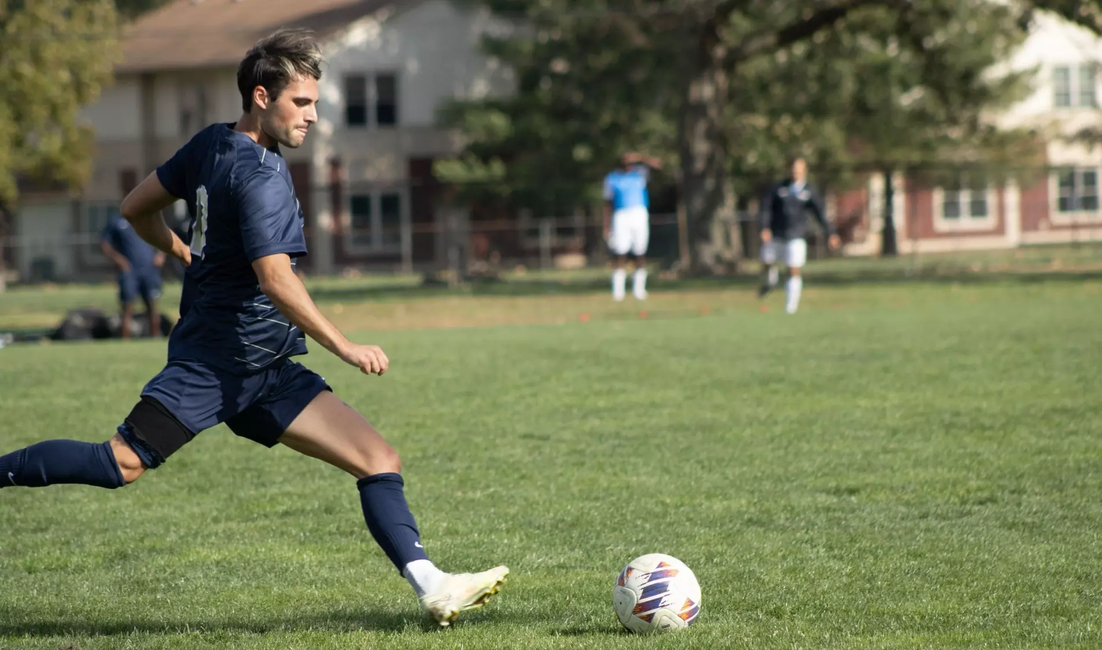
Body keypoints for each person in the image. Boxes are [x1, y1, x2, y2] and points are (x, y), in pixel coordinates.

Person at [0, 29, 506, 628]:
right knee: (120, 463)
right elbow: (276, 278)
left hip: (266, 367)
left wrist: (189, 254)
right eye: (302, 103)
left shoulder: (213, 142)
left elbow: (136, 206)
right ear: (262, 97)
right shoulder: (264, 176)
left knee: (377, 458)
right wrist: (344, 345)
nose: (314, 116)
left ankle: (433, 586)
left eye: (316, 102)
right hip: (216, 363)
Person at [758, 156, 840, 314]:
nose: (795, 171)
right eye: (793, 168)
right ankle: (770, 281)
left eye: (799, 168)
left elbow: (820, 214)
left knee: (793, 269)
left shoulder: (809, 191)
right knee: (766, 263)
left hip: (796, 236)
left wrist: (831, 234)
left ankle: (791, 307)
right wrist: (764, 228)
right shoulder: (778, 189)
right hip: (776, 234)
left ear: (804, 170)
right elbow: (765, 209)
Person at [603, 152, 661, 301]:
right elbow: (607, 203)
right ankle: (618, 291)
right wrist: (606, 226)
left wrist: (641, 157)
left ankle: (639, 290)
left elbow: (658, 166)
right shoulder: (612, 178)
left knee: (640, 251)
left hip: (639, 214)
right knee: (620, 251)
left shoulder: (640, 174)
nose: (629, 164)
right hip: (621, 215)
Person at [101, 211, 165, 338]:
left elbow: (164, 236)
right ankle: (126, 341)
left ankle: (155, 338)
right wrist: (119, 260)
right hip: (129, 270)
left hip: (149, 269)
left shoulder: (149, 218)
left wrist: (161, 254)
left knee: (152, 307)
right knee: (128, 308)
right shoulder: (116, 220)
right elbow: (104, 244)